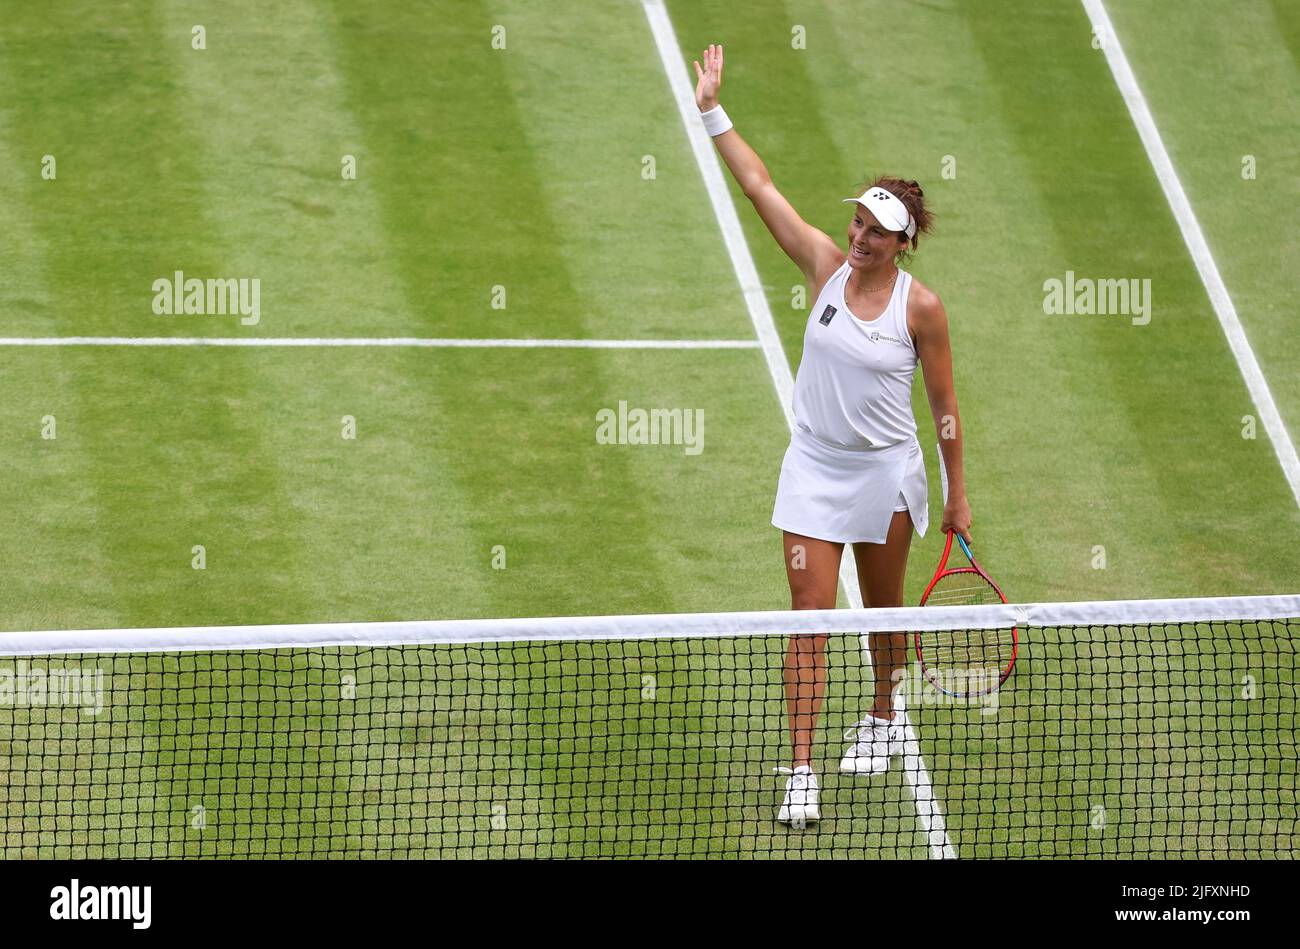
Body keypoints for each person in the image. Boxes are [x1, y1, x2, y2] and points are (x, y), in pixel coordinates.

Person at [692, 44, 973, 826]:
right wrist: (712, 109)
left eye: (877, 231)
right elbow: (759, 185)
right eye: (858, 221)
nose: (860, 236)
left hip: (886, 476)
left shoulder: (922, 308)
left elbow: (945, 405)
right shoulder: (823, 264)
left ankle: (884, 714)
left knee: (882, 615)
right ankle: (802, 770)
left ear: (904, 243)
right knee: (809, 616)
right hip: (814, 470)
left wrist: (957, 494)